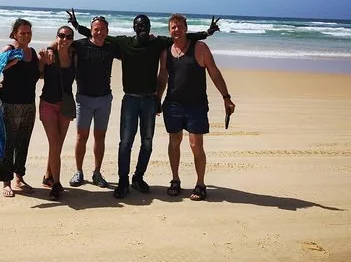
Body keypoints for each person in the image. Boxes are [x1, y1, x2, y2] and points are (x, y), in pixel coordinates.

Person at [67, 10, 219, 199]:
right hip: (130, 100)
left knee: (147, 142)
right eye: (139, 25)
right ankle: (123, 181)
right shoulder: (124, 43)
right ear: (134, 27)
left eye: (145, 25)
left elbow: (181, 36)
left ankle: (138, 177)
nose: (142, 28)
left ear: (150, 27)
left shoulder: (157, 43)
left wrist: (206, 33)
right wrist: (77, 26)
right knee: (126, 142)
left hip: (149, 100)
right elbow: (98, 35)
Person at [157, 13, 236, 201]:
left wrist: (226, 97)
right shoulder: (166, 51)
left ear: (186, 28)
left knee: (195, 145)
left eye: (180, 26)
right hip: (173, 104)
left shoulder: (200, 48)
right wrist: (157, 99)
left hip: (196, 105)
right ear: (169, 30)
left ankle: (200, 183)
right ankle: (175, 179)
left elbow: (214, 73)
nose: (176, 29)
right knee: (174, 141)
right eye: (173, 27)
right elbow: (163, 77)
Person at [52, 16, 119, 189]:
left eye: (102, 29)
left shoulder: (111, 48)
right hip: (84, 99)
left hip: (104, 99)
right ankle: (79, 171)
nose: (99, 32)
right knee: (81, 137)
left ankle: (97, 172)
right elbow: (62, 43)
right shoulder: (80, 46)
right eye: (96, 29)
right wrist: (50, 50)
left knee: (100, 137)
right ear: (91, 30)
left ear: (107, 31)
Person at [0, 18, 44, 198]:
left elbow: (38, 75)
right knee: (7, 143)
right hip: (9, 104)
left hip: (28, 105)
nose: (26, 35)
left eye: (28, 32)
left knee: (23, 143)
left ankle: (19, 178)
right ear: (15, 34)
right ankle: (6, 181)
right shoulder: (9, 50)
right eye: (22, 33)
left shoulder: (32, 52)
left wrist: (45, 62)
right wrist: (11, 64)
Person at [38, 26, 76, 201]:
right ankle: (57, 184)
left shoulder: (74, 55)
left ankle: (48, 176)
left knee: (57, 145)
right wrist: (47, 52)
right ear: (57, 37)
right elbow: (36, 74)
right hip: (48, 104)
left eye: (68, 36)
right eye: (61, 36)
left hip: (65, 106)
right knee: (54, 143)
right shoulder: (49, 55)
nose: (65, 39)